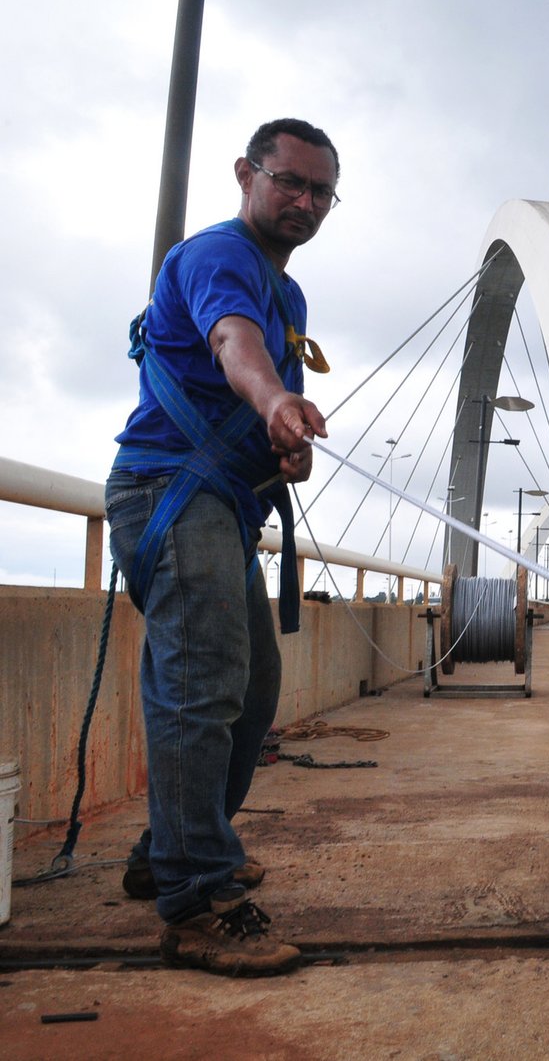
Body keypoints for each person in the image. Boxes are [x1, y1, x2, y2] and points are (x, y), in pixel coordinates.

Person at [104, 118, 336, 977]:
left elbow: (268, 399)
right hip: (169, 490)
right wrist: (274, 398)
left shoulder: (291, 295)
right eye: (290, 182)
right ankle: (195, 897)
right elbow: (234, 345)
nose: (304, 203)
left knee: (252, 690)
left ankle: (171, 847)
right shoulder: (216, 258)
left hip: (223, 503)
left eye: (320, 192)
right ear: (248, 174)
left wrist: (287, 442)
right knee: (200, 690)